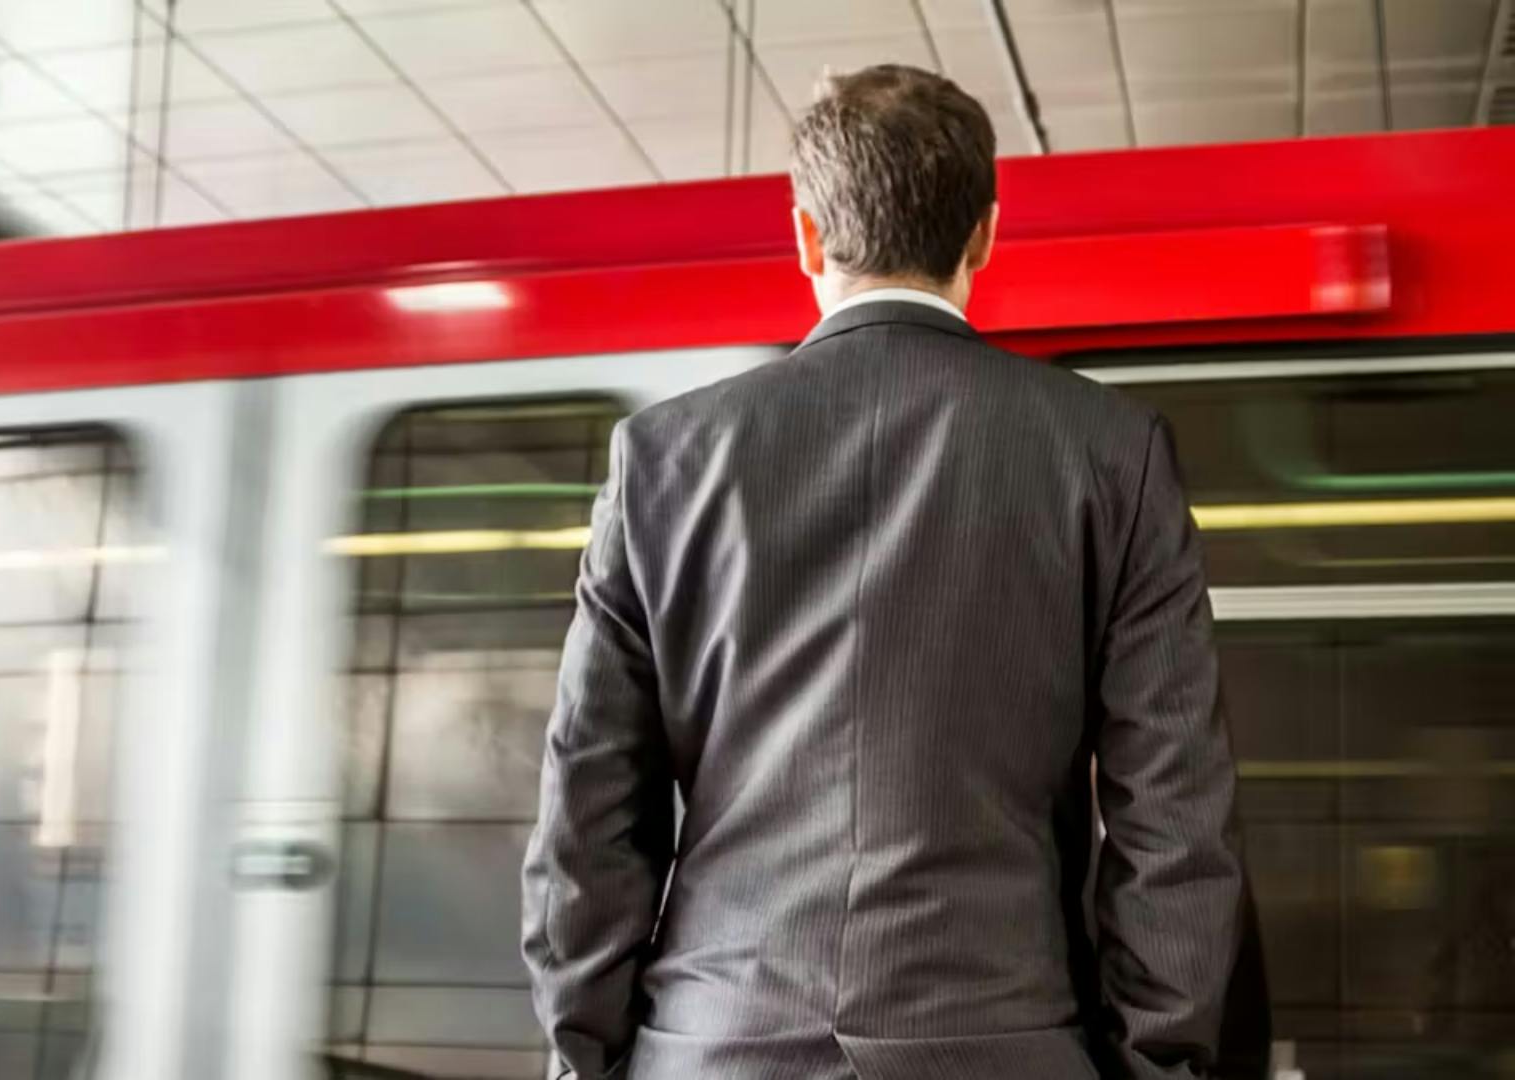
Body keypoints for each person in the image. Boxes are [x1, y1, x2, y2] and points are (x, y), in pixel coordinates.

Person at [521, 64, 1261, 1079]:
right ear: (985, 236)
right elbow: (1173, 822)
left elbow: (589, 814)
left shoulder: (662, 460)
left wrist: (587, 1059)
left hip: (711, 1049)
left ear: (807, 239)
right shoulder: (1110, 453)